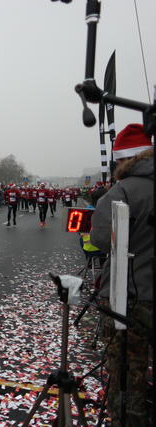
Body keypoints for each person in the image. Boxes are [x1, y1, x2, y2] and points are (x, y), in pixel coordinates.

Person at [90, 124, 153, 426]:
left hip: (130, 296)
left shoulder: (123, 190)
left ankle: (128, 418)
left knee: (128, 371)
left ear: (125, 160)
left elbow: (101, 238)